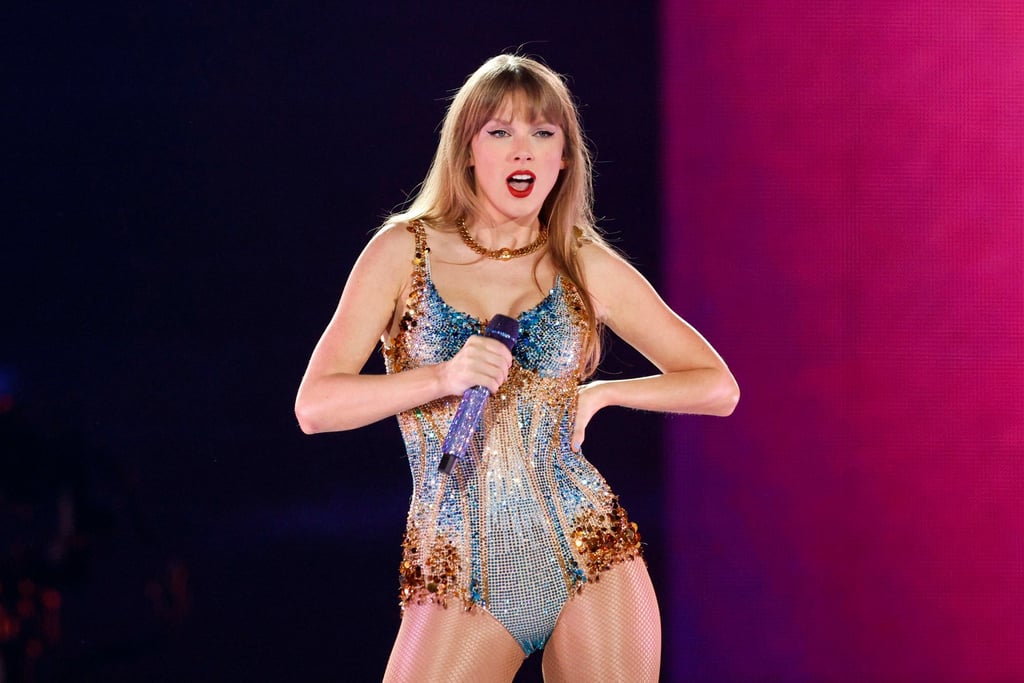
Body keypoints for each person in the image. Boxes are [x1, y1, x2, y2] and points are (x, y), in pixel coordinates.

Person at [294, 53, 739, 683]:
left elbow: (717, 386)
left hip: (588, 551)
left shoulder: (583, 262)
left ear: (564, 159)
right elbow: (315, 407)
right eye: (500, 132)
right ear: (468, 151)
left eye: (542, 133)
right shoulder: (403, 251)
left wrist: (603, 393)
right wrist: (441, 377)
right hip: (462, 569)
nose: (522, 150)